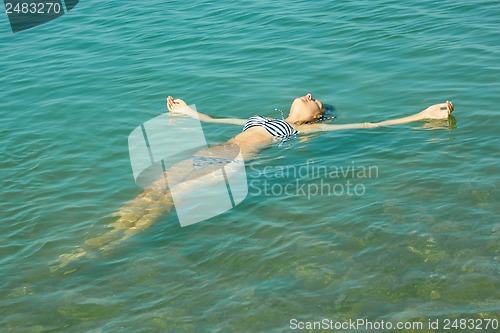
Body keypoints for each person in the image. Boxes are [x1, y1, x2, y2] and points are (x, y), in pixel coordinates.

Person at [53, 94, 454, 270]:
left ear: (315, 116)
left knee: (164, 204)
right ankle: (90, 243)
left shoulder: (301, 132)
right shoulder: (260, 118)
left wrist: (422, 115)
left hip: (226, 164)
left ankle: (100, 251)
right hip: (207, 153)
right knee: (149, 195)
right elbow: (214, 121)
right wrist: (187, 112)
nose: (310, 94)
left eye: (316, 100)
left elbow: (369, 124)